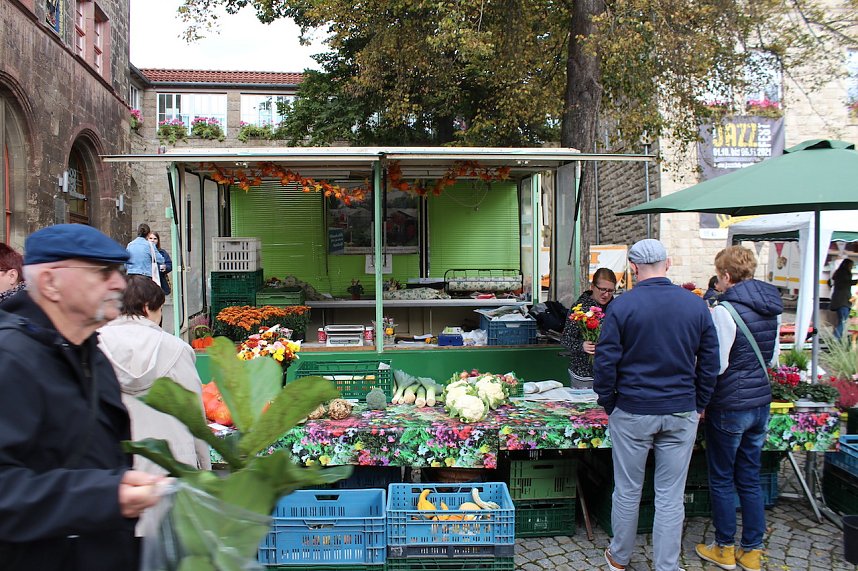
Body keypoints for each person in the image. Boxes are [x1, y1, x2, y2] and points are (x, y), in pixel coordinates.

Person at [0, 224, 162, 571]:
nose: (119, 283)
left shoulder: (89, 351)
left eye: (116, 271)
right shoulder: (10, 358)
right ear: (50, 283)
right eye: (102, 273)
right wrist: (106, 495)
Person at [594, 239, 720, 571]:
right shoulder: (695, 305)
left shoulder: (622, 306)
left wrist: (609, 402)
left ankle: (619, 558)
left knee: (627, 490)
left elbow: (605, 362)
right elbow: (711, 362)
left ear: (633, 268)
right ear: (668, 263)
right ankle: (666, 565)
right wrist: (700, 402)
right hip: (680, 409)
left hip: (633, 409)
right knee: (669, 495)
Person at [98, 275, 210, 536]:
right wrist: (203, 467)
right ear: (148, 307)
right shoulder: (176, 349)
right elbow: (194, 414)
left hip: (114, 476)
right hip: (168, 473)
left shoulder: (94, 344)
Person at [695, 247, 782, 571]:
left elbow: (716, 366)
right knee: (749, 477)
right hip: (760, 403)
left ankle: (725, 547)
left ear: (727, 277)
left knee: (721, 478)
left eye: (718, 274)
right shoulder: (771, 307)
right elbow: (771, 359)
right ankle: (753, 551)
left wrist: (701, 400)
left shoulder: (724, 311)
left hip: (730, 405)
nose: (717, 280)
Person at [561, 267, 617, 388]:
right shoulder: (579, 308)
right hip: (583, 374)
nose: (606, 294)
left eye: (610, 290)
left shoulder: (616, 307)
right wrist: (582, 345)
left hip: (611, 372)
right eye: (602, 289)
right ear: (592, 287)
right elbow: (566, 339)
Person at [829, 258, 856, 340]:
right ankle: (836, 338)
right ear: (847, 265)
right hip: (843, 301)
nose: (851, 267)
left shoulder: (839, 273)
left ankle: (837, 338)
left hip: (839, 301)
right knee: (843, 321)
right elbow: (846, 283)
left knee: (841, 321)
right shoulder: (843, 273)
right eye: (851, 265)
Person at [148, 231, 172, 295]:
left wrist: (165, 267)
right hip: (148, 282)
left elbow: (169, 264)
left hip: (160, 281)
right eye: (150, 238)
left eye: (155, 238)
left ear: (158, 240)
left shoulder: (162, 252)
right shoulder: (145, 252)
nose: (152, 240)